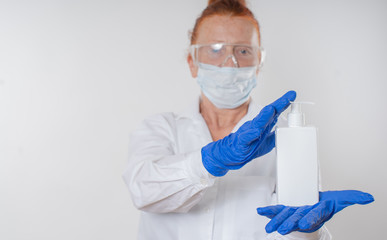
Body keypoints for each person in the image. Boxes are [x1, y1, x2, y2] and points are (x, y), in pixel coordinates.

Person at [122, 0, 374, 239]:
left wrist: (305, 232)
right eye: (215, 49)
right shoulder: (160, 128)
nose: (230, 64)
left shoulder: (286, 139)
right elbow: (143, 191)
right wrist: (208, 161)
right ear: (192, 62)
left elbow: (293, 228)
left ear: (258, 64)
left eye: (243, 51)